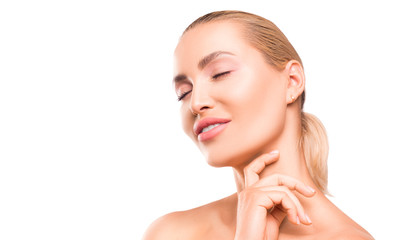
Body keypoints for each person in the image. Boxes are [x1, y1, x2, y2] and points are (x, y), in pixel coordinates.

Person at [143, 10, 374, 240]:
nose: (196, 103)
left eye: (221, 73)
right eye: (183, 92)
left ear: (292, 82)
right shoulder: (168, 233)